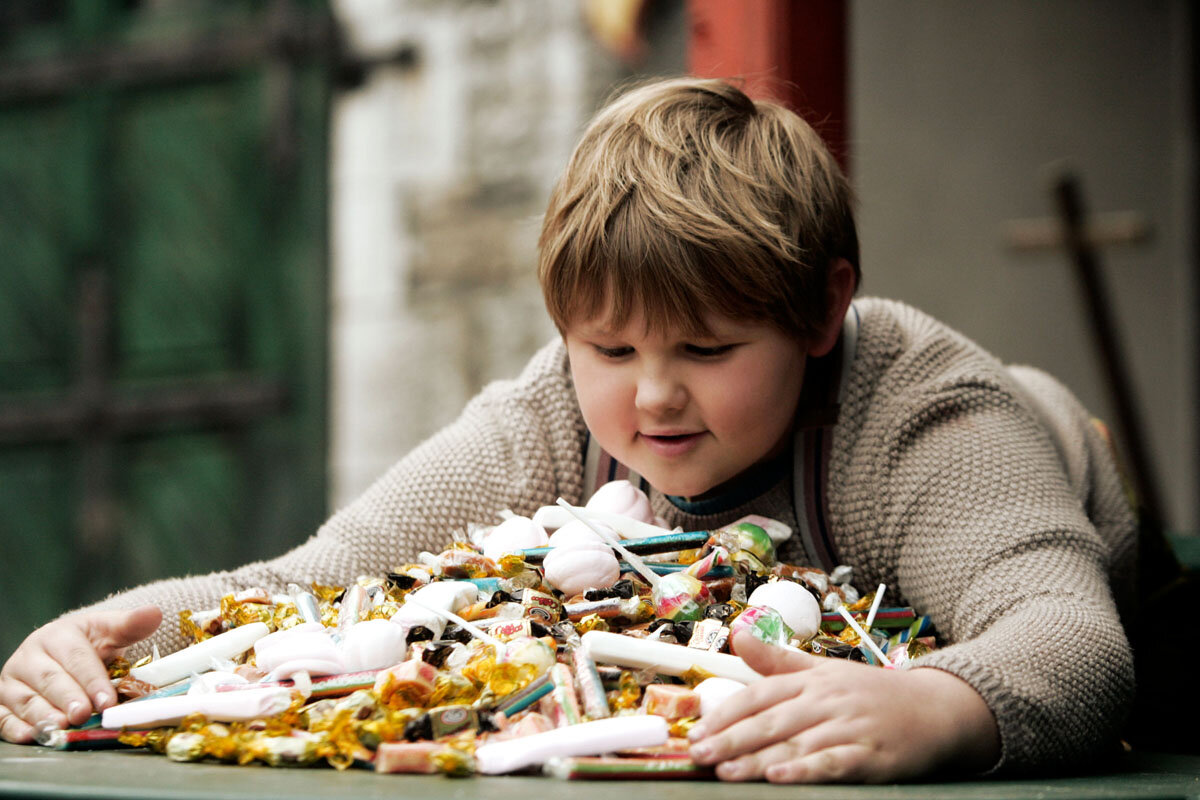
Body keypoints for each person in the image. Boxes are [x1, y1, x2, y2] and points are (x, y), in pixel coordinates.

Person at [0, 77, 1135, 783]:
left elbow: (1073, 640)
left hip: (1066, 516)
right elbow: (317, 585)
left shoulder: (923, 417)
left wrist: (943, 703)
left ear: (822, 307)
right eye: (610, 350)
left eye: (706, 350)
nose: (651, 400)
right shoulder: (551, 413)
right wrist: (109, 639)